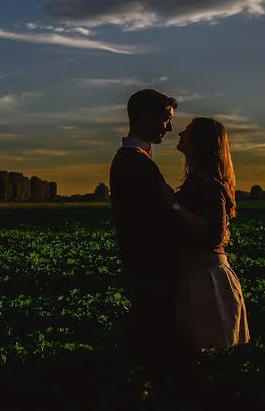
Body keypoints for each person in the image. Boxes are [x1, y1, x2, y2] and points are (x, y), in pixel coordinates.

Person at [109, 89, 185, 370]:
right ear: (146, 117)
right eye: (166, 119)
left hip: (143, 269)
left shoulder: (132, 159)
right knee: (153, 346)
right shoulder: (135, 163)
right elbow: (157, 221)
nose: (170, 127)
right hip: (150, 270)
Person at [163, 117, 250, 349]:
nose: (180, 134)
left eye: (188, 132)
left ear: (200, 142)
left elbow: (215, 234)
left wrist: (172, 206)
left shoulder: (209, 184)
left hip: (208, 282)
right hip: (197, 276)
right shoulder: (197, 180)